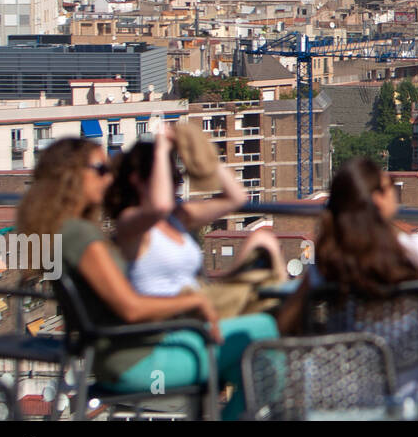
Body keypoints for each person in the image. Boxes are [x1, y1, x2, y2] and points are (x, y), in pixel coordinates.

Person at [17, 138, 276, 420]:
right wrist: (194, 301)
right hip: (139, 363)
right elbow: (131, 308)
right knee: (263, 330)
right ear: (72, 175)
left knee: (251, 352)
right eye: (101, 169)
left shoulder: (63, 232)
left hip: (121, 358)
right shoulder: (79, 235)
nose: (108, 178)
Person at [275, 157, 418, 339]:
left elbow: (286, 322)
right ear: (378, 199)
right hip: (411, 371)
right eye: (390, 186)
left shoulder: (330, 259)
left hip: (347, 371)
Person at [105, 123, 286, 317]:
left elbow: (236, 198)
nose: (175, 182)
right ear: (137, 180)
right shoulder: (129, 223)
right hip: (172, 316)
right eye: (168, 176)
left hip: (199, 305)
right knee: (268, 302)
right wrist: (161, 150)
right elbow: (159, 206)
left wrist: (201, 154)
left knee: (264, 241)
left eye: (175, 176)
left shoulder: (176, 218)